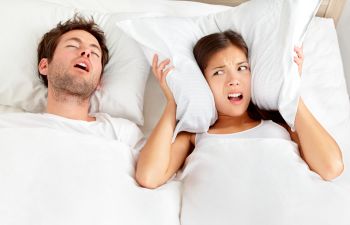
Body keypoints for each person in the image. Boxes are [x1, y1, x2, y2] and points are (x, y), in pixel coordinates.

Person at [135, 30, 344, 189]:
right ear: (202, 82)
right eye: (219, 72)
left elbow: (331, 167)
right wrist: (173, 103)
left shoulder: (281, 126)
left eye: (242, 68)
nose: (234, 80)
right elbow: (149, 176)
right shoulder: (194, 135)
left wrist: (291, 90)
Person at [0, 14, 142, 146]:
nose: (86, 52)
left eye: (94, 53)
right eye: (72, 46)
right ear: (44, 66)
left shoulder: (123, 134)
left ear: (99, 81)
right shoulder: (8, 128)